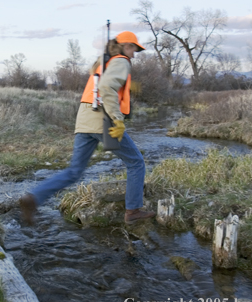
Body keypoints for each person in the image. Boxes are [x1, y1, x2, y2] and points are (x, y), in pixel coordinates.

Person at [19, 31, 155, 225]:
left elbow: (101, 82)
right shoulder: (121, 61)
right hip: (103, 120)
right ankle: (133, 211)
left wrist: (128, 86)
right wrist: (117, 119)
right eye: (133, 48)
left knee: (74, 171)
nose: (134, 54)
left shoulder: (103, 61)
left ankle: (33, 197)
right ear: (125, 46)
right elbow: (107, 87)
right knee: (136, 163)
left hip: (84, 120)